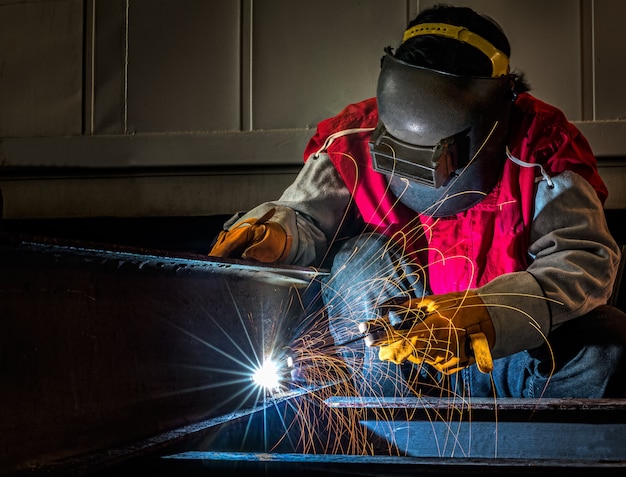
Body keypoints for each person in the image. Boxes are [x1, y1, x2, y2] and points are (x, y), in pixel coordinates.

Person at [209, 4, 625, 399]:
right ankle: (390, 421)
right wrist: (276, 231)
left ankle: (538, 444)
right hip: (393, 357)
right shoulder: (353, 136)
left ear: (499, 106)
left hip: (502, 354)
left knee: (603, 341)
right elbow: (304, 217)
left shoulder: (542, 147)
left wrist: (488, 313)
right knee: (357, 259)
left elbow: (583, 261)